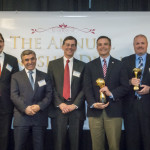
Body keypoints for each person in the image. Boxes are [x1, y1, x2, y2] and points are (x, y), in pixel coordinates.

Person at [84, 36, 129, 150]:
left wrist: (111, 93)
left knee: (114, 146)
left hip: (114, 111)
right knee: (97, 146)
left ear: (110, 46)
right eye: (100, 44)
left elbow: (125, 86)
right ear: (97, 47)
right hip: (95, 112)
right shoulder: (89, 66)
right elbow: (86, 88)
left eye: (105, 44)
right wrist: (93, 104)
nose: (102, 47)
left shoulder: (120, 64)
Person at [47, 36, 85, 150]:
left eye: (73, 45)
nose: (70, 47)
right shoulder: (53, 64)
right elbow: (50, 87)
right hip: (59, 109)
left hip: (76, 110)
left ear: (76, 48)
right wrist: (60, 104)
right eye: (67, 44)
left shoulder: (82, 65)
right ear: (63, 46)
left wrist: (74, 105)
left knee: (76, 144)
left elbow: (85, 88)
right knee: (58, 144)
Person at [11, 50, 52, 150]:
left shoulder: (45, 76)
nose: (30, 62)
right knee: (19, 147)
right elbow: (14, 95)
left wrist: (39, 106)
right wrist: (25, 108)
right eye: (27, 60)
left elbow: (49, 94)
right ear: (22, 62)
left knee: (39, 147)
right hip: (21, 118)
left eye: (32, 59)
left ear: (36, 59)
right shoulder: (16, 76)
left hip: (39, 118)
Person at [122, 34, 150, 150]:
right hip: (130, 108)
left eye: (142, 43)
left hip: (148, 106)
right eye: (137, 43)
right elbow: (120, 82)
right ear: (134, 46)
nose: (140, 46)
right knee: (131, 141)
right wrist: (129, 81)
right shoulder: (125, 61)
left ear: (147, 44)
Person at [0, 33, 19, 150]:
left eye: (0, 41)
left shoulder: (12, 60)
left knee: (4, 135)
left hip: (6, 105)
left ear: (3, 43)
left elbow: (15, 83)